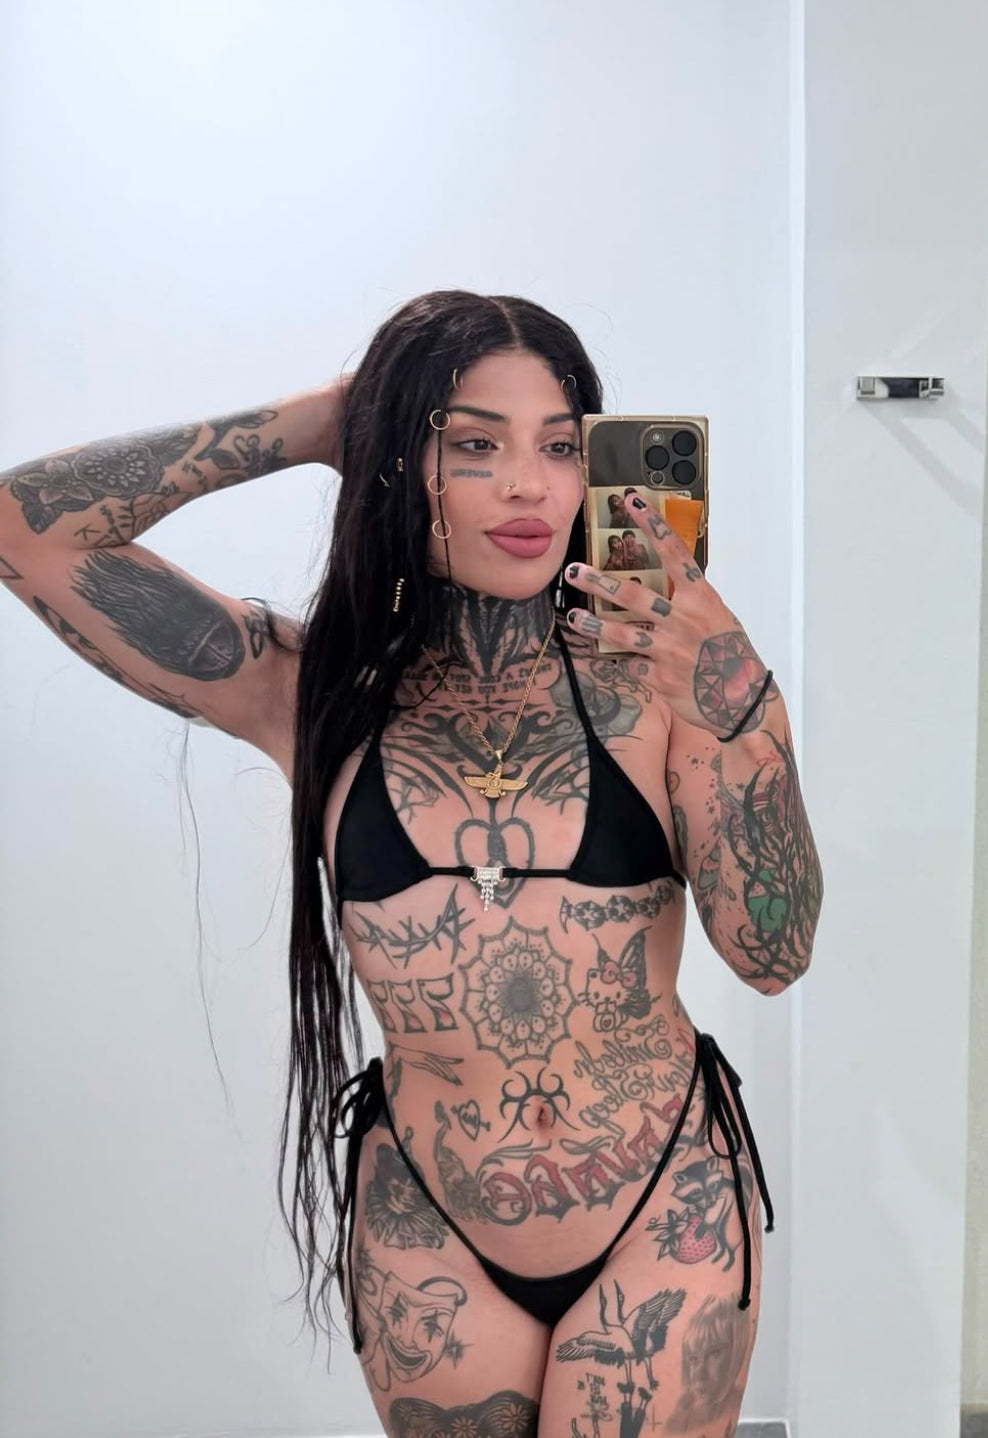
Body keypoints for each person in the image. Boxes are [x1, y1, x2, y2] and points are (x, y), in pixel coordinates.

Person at [0, 289, 822, 1438]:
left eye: (559, 447)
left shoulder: (665, 688)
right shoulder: (310, 691)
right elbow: (26, 526)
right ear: (395, 460)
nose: (529, 487)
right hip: (428, 1226)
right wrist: (323, 420)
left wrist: (740, 706)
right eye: (473, 444)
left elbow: (773, 954)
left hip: (661, 1206)